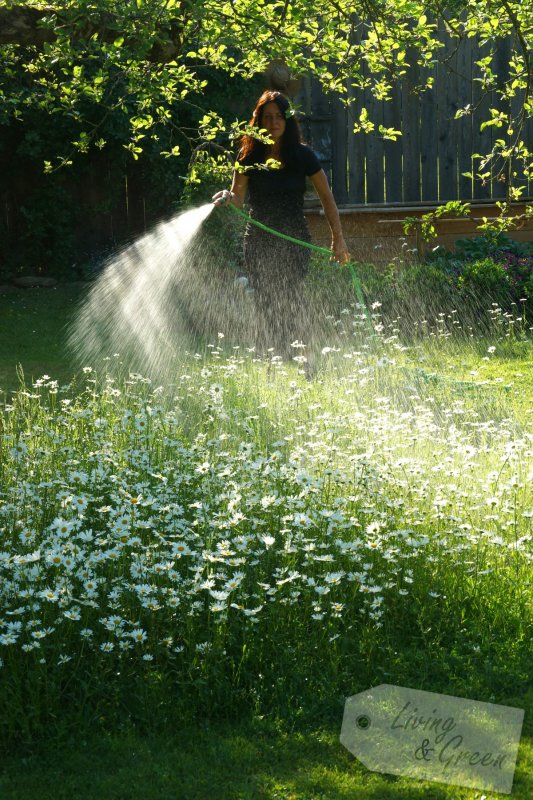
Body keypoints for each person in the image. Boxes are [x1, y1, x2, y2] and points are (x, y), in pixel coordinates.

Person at [213, 90, 349, 359]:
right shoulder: (248, 156)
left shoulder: (302, 155)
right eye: (268, 117)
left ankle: (305, 357)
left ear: (287, 121)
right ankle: (273, 362)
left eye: (279, 117)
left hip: (294, 236)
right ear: (259, 121)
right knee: (265, 300)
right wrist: (228, 197)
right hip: (258, 239)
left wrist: (338, 238)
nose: (273, 123)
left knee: (290, 297)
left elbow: (327, 198)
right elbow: (238, 198)